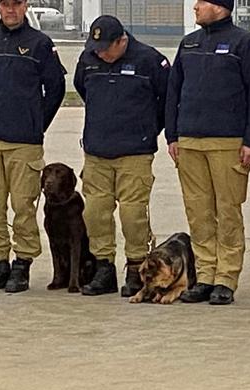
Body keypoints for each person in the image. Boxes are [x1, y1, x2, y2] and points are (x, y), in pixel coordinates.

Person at [165, 0, 250, 305]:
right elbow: (174, 91)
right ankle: (206, 274)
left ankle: (226, 277)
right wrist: (172, 134)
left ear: (221, 7)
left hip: (228, 142)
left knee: (227, 211)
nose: (195, 7)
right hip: (189, 141)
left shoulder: (244, 43)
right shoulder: (189, 44)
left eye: (202, 2)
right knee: (198, 212)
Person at [0, 0, 65, 293]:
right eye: (5, 4)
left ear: (25, 6)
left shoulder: (40, 44)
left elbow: (56, 88)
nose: (10, 10)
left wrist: (36, 123)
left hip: (24, 141)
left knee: (23, 205)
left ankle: (22, 263)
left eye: (16, 4)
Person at [73, 15, 170, 297]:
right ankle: (104, 266)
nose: (100, 52)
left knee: (132, 214)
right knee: (95, 213)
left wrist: (148, 129)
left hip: (134, 153)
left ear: (122, 40)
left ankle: (136, 267)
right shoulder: (88, 59)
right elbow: (83, 89)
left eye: (106, 47)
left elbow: (167, 99)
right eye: (96, 46)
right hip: (97, 152)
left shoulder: (150, 60)